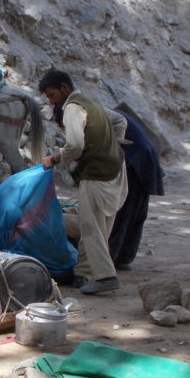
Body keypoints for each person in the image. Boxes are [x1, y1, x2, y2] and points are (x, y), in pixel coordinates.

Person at [39, 69, 127, 295]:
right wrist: (111, 146)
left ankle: (106, 276)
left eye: (52, 95)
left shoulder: (72, 107)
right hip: (116, 170)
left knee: (90, 228)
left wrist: (56, 159)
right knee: (101, 227)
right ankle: (86, 272)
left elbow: (75, 146)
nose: (51, 101)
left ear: (64, 88)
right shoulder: (91, 102)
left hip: (98, 175)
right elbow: (120, 120)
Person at [108, 109, 164, 270]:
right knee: (136, 210)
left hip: (136, 160)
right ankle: (124, 256)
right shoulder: (110, 114)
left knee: (124, 210)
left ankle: (111, 257)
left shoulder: (95, 118)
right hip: (144, 156)